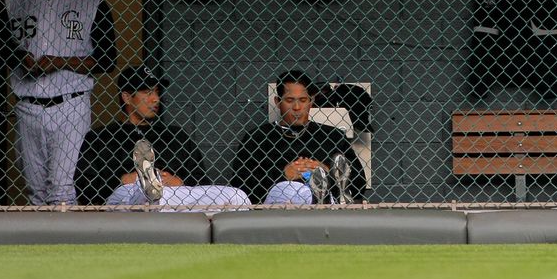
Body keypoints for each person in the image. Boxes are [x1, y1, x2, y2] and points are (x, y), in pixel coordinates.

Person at [5, 0, 117, 205]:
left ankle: (64, 245)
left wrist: (60, 61)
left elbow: (108, 59)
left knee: (63, 189)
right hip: (28, 104)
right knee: (36, 191)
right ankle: (41, 246)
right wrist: (23, 57)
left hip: (71, 105)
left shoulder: (92, 2)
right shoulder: (15, 3)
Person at [75, 67, 250, 211]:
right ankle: (146, 183)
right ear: (127, 97)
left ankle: (152, 183)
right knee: (142, 195)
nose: (156, 99)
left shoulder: (175, 136)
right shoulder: (101, 137)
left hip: (175, 196)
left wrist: (179, 182)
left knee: (235, 196)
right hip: (124, 197)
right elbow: (85, 187)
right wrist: (122, 180)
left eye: (157, 92)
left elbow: (201, 180)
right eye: (147, 92)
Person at [229, 70, 366, 205]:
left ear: (311, 101)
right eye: (289, 100)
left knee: (333, 175)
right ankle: (307, 194)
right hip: (276, 208)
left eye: (303, 100)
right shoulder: (257, 137)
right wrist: (283, 175)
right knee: (289, 189)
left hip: (325, 207)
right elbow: (240, 185)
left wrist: (325, 170)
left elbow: (360, 180)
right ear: (278, 101)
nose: (297, 107)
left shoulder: (332, 136)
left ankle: (323, 193)